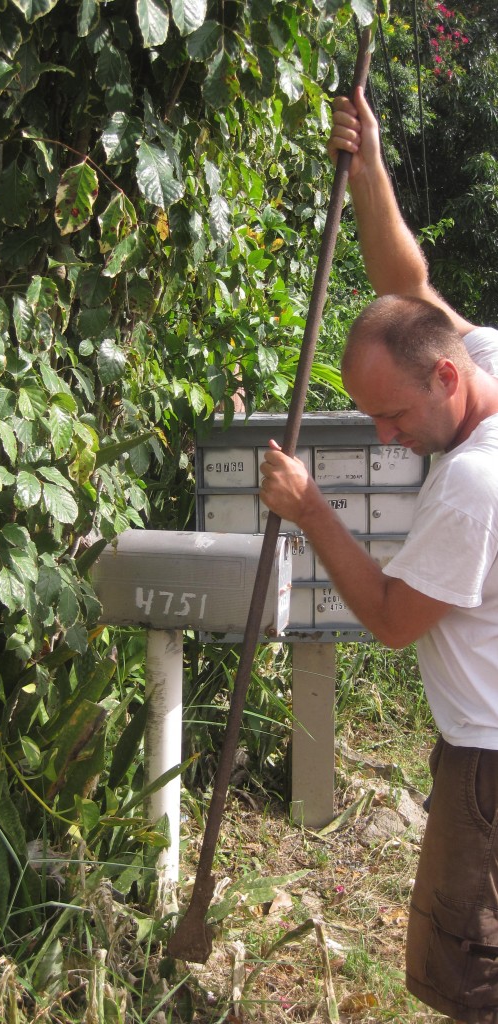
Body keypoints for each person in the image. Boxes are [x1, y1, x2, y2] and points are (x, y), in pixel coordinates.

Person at [259, 88, 498, 1024]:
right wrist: (369, 165)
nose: (387, 437)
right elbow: (407, 281)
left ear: (444, 381)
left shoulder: (474, 487)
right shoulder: (479, 359)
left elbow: (397, 623)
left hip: (487, 767)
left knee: (467, 980)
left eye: (392, 416)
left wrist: (313, 508)